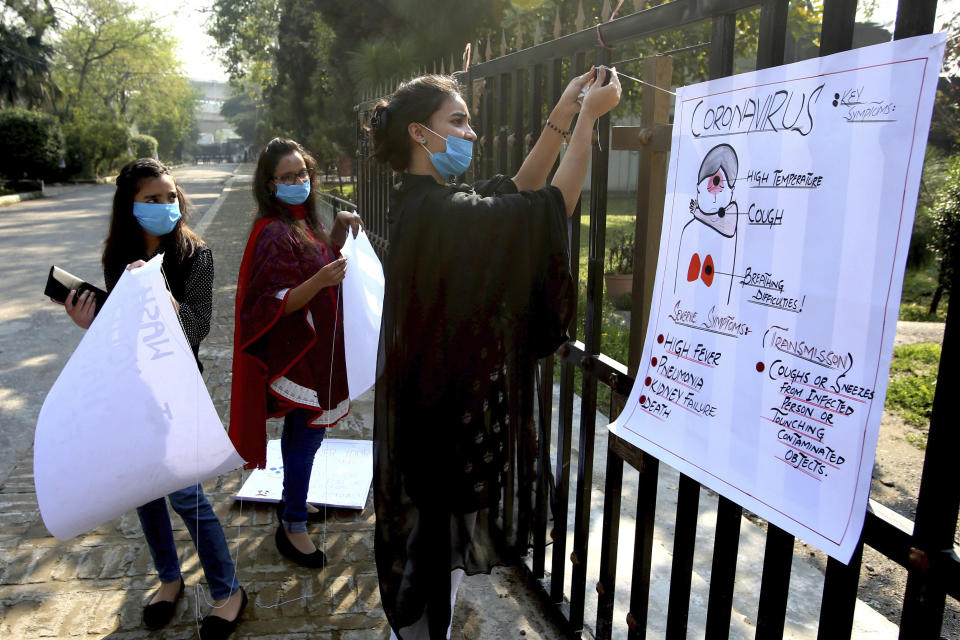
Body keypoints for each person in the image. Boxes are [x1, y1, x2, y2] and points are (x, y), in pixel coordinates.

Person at [369, 68, 621, 639]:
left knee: (438, 547)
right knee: (435, 555)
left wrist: (561, 114)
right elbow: (552, 205)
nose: (471, 134)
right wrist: (588, 121)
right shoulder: (442, 213)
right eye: (457, 121)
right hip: (446, 421)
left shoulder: (427, 203)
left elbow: (517, 196)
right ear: (420, 134)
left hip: (436, 411)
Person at [55, 158, 246, 639]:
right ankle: (168, 578)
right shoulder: (117, 254)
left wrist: (163, 294)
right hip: (132, 388)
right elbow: (120, 334)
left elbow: (196, 330)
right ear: (130, 205)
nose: (166, 206)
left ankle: (228, 590)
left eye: (170, 197)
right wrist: (89, 322)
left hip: (176, 389)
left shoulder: (195, 255)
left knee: (187, 494)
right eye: (152, 199)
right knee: (144, 491)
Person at [229, 138, 362, 568]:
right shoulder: (273, 230)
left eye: (302, 173)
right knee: (306, 437)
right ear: (270, 185)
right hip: (300, 354)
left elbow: (322, 263)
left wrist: (339, 231)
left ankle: (295, 504)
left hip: (317, 349)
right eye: (287, 177)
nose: (298, 181)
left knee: (305, 436)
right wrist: (321, 281)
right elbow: (275, 301)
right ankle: (293, 526)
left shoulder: (304, 220)